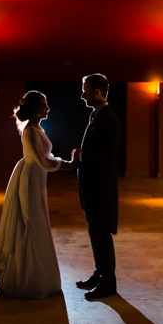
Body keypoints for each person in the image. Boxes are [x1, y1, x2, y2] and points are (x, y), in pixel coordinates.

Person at [0, 90, 70, 299]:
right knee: (31, 224)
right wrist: (66, 166)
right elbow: (43, 160)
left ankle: (37, 276)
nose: (47, 108)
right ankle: (27, 280)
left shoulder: (38, 128)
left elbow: (46, 156)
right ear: (35, 108)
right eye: (44, 105)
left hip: (38, 179)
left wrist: (60, 162)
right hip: (30, 181)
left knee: (38, 222)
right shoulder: (29, 131)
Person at [69, 73, 121, 300]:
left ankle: (108, 282)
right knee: (95, 232)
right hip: (91, 188)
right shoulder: (96, 115)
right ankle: (100, 274)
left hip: (100, 189)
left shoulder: (107, 118)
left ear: (97, 92)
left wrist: (81, 155)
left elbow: (106, 156)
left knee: (101, 234)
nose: (82, 95)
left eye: (86, 91)